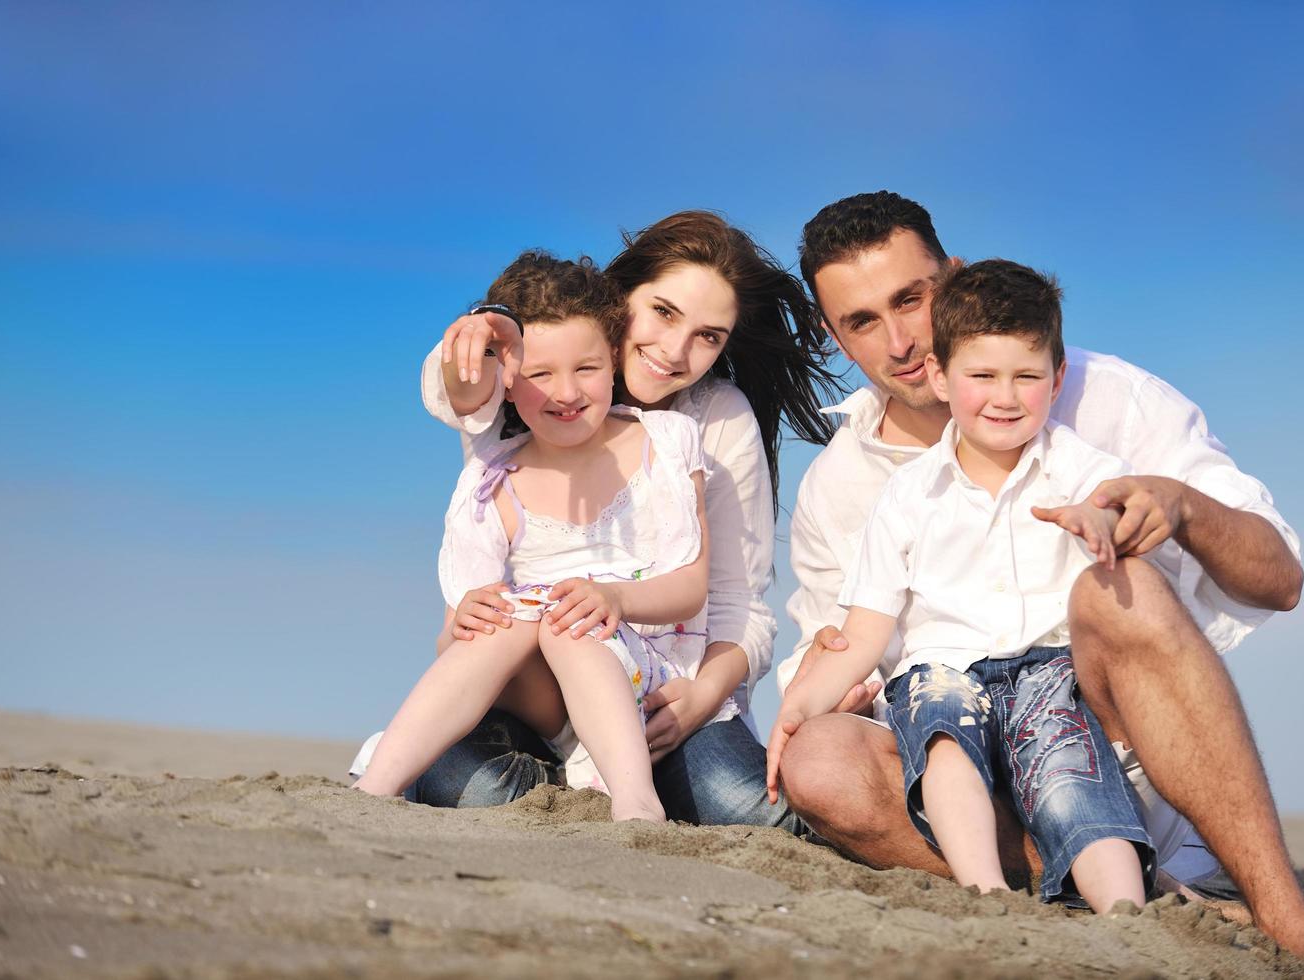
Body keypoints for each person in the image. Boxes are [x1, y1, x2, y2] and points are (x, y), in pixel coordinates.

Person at [775, 191, 1304, 973]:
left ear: (955, 278)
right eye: (861, 321)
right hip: (968, 767)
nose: (900, 341)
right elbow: (841, 643)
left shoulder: (1108, 399)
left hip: (1120, 747)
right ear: (834, 335)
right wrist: (823, 689)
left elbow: (1280, 578)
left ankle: (1286, 916)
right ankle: (1081, 880)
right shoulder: (842, 482)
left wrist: (1181, 505)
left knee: (1108, 590)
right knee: (818, 759)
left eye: (912, 298)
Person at [378, 211, 841, 829]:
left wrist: (701, 697)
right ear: (620, 301)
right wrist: (486, 329)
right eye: (664, 312)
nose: (676, 351)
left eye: (709, 336)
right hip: (529, 691)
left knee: (740, 805)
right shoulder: (527, 408)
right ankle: (567, 789)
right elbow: (456, 389)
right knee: (463, 783)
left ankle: (614, 792)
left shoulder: (702, 424)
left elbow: (737, 601)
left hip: (659, 686)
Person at [770, 258, 1163, 912]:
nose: (1004, 397)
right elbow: (864, 629)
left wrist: (1101, 519)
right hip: (943, 667)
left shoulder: (1081, 467)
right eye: (982, 376)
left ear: (1056, 378)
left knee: (1069, 773)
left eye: (1026, 377)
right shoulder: (905, 496)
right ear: (944, 379)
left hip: (1050, 669)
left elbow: (1121, 512)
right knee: (944, 742)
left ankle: (1127, 916)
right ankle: (986, 893)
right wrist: (801, 704)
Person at [354, 251, 713, 822]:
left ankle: (636, 800)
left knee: (569, 617)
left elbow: (693, 586)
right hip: (543, 701)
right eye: (540, 375)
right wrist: (469, 617)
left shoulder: (667, 442)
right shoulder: (494, 479)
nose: (565, 392)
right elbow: (454, 643)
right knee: (515, 613)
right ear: (507, 381)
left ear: (615, 361)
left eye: (587, 368)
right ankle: (376, 786)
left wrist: (614, 599)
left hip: (647, 682)